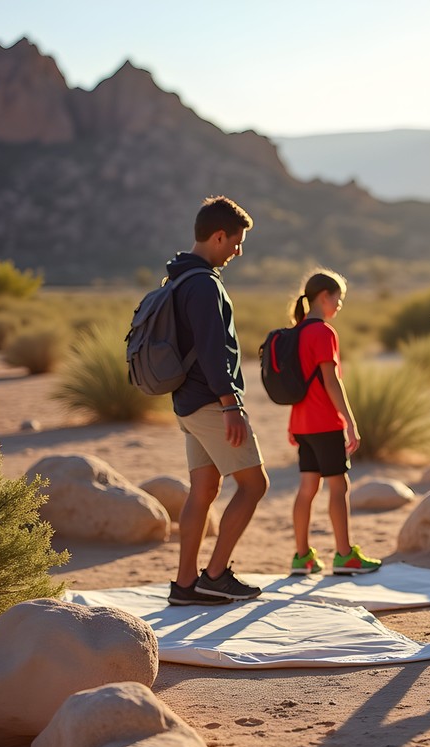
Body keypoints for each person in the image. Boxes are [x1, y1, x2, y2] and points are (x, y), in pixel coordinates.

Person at [167, 196, 268, 606]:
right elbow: (212, 351)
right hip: (211, 402)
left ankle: (185, 584)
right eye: (236, 242)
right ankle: (214, 575)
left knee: (204, 488)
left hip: (186, 402)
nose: (238, 250)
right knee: (254, 484)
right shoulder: (205, 284)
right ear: (219, 235)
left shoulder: (176, 278)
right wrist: (231, 404)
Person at [288, 270, 382, 576]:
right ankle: (344, 555)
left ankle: (302, 557)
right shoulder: (324, 332)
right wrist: (349, 421)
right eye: (338, 298)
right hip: (325, 421)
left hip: (301, 423)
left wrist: (292, 424)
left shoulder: (296, 331)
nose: (339, 304)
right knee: (339, 486)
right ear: (324, 296)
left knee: (306, 487)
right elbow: (331, 381)